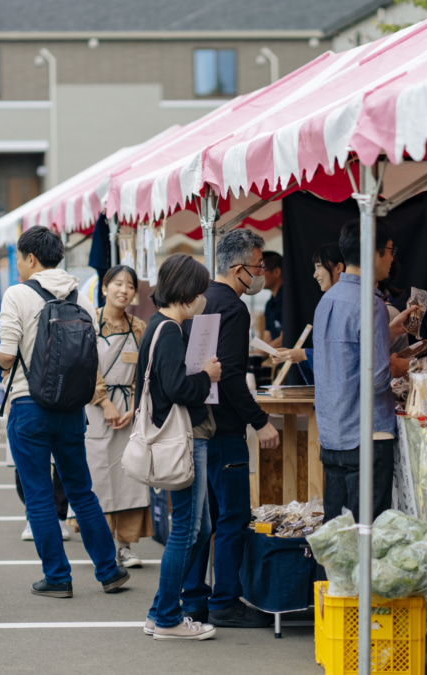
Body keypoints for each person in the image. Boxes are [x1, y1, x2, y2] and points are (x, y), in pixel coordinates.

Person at [0, 225, 128, 598]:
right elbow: (92, 356)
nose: (19, 265)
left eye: (20, 258)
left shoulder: (18, 294)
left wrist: (7, 360)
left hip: (29, 406)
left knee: (39, 495)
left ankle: (57, 577)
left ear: (31, 258)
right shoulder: (81, 297)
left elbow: (6, 355)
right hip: (71, 409)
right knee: (81, 491)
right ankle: (109, 570)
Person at [181, 229, 279, 629]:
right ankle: (224, 600)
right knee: (232, 517)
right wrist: (260, 421)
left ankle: (193, 599)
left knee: (201, 521)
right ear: (239, 269)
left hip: (197, 425)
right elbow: (233, 377)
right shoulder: (234, 309)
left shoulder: (199, 300)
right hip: (225, 430)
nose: (262, 273)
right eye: (258, 266)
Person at [139, 254, 222, 641]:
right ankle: (168, 619)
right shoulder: (169, 330)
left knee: (198, 528)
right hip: (182, 440)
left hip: (175, 439)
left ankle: (160, 611)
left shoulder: (158, 326)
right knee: (188, 529)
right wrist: (207, 376)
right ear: (187, 293)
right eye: (200, 291)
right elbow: (179, 389)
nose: (203, 299)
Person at [313, 220, 398, 522]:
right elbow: (376, 378)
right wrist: (398, 365)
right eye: (390, 250)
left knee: (337, 534)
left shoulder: (327, 299)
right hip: (367, 434)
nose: (392, 258)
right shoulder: (371, 304)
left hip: (332, 433)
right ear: (373, 252)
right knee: (367, 533)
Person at [84, 265, 150, 568]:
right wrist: (104, 402)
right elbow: (84, 365)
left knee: (129, 477)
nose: (124, 290)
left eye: (130, 286)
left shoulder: (139, 327)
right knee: (99, 477)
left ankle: (125, 545)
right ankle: (103, 546)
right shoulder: (89, 322)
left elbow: (145, 371)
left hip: (129, 412)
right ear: (104, 288)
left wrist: (134, 405)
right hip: (96, 409)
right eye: (118, 284)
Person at [274, 244, 345, 384]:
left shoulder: (346, 304)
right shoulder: (331, 302)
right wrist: (295, 355)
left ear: (339, 267)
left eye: (319, 266)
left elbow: (344, 354)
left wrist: (304, 354)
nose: (315, 274)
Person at [261, 251, 285, 348]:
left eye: (262, 269)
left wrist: (262, 352)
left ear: (276, 272)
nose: (258, 274)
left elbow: (285, 338)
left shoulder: (288, 302)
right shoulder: (269, 304)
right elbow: (267, 338)